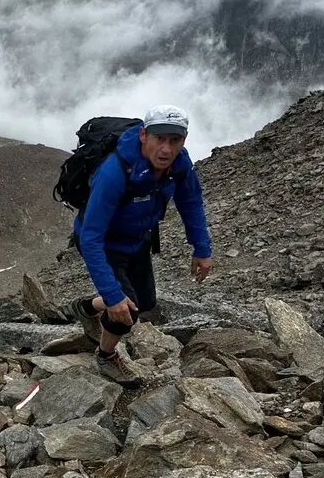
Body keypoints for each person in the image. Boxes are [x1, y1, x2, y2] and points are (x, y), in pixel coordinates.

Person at [64, 105, 213, 387]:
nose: (166, 149)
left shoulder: (179, 165)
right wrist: (112, 295)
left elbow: (191, 202)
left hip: (137, 239)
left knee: (145, 303)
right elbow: (91, 237)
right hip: (104, 242)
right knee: (125, 311)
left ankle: (86, 307)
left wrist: (201, 248)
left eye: (175, 140)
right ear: (144, 135)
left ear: (184, 140)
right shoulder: (115, 173)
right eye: (160, 139)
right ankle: (106, 357)